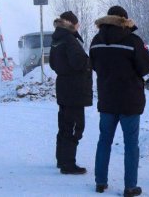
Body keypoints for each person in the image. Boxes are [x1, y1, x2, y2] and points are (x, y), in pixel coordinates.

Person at [89, 6, 149, 197]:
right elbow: (146, 66)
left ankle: (100, 182)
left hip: (107, 99)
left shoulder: (96, 41)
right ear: (125, 20)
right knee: (131, 144)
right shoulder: (132, 40)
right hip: (130, 101)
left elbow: (93, 64)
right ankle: (130, 186)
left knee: (104, 141)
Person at [49, 11, 93, 175]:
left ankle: (62, 159)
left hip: (64, 87)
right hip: (75, 89)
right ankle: (68, 163)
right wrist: (89, 62)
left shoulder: (56, 39)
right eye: (77, 23)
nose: (78, 26)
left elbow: (53, 63)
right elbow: (79, 62)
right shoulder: (69, 39)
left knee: (64, 125)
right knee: (75, 126)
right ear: (72, 24)